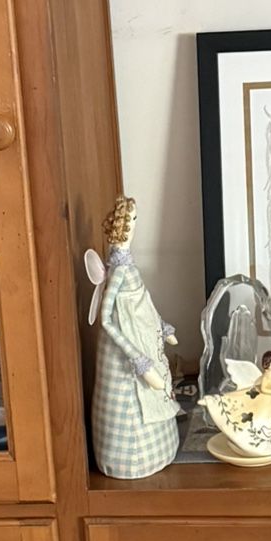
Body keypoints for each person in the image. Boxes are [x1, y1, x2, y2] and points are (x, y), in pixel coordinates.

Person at [89, 196, 180, 478]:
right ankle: (133, 458)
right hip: (131, 348)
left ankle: (164, 445)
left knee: (158, 392)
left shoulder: (126, 264)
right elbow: (106, 319)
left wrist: (162, 328)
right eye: (131, 221)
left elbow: (142, 304)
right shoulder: (118, 272)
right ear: (121, 225)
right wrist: (138, 360)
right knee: (139, 396)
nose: (133, 226)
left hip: (144, 337)